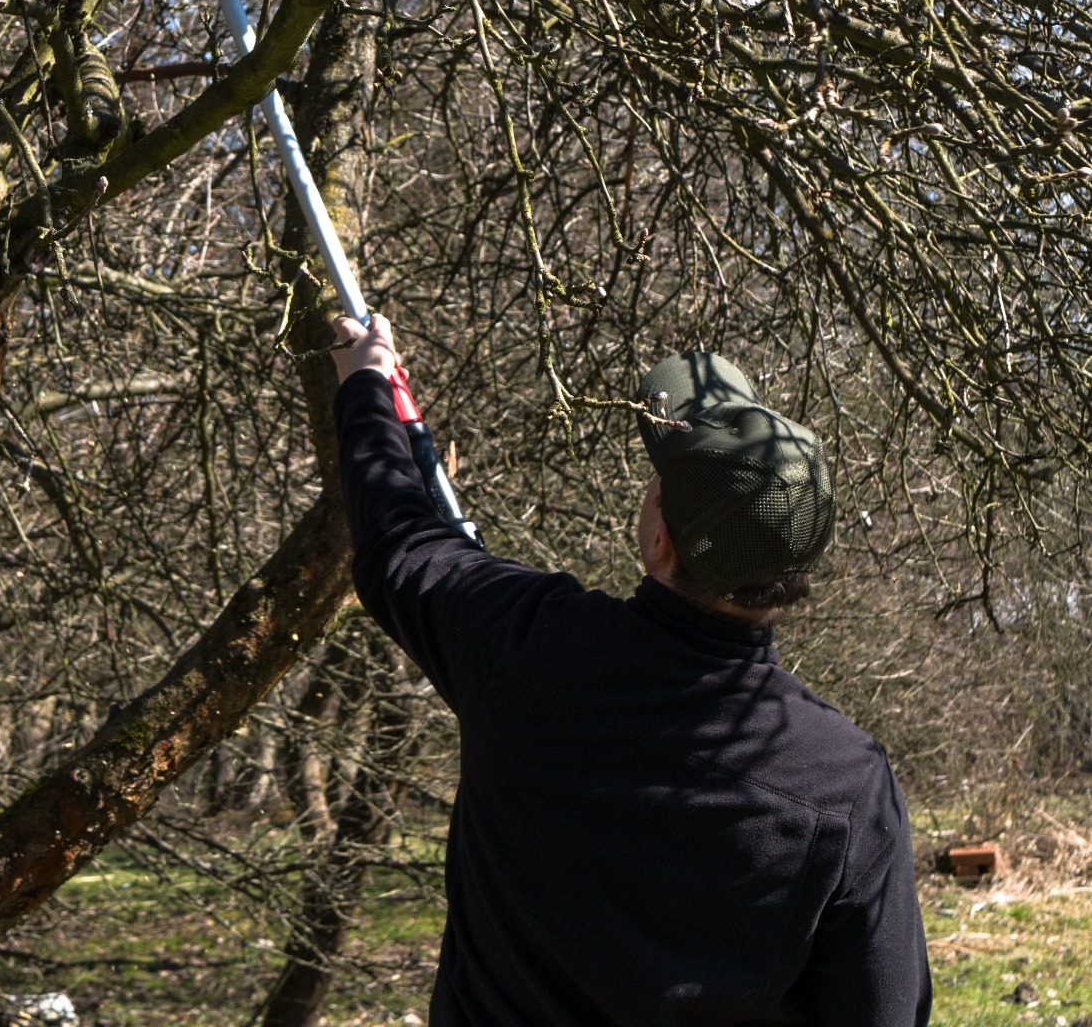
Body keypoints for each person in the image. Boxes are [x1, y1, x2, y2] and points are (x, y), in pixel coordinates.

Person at [330, 312, 931, 1027]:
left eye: (658, 482)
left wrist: (365, 380)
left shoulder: (523, 644)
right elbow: (885, 1013)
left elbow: (398, 538)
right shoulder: (844, 782)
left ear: (658, 540)